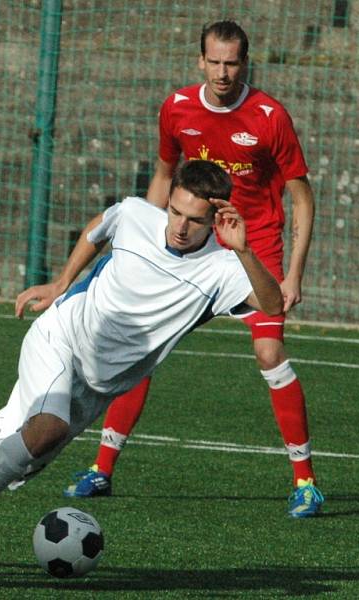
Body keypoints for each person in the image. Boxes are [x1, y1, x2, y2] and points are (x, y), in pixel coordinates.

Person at [0, 159, 284, 572]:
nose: (180, 226)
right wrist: (63, 281)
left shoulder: (223, 268)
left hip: (95, 389)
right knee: (49, 427)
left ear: (217, 219)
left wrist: (242, 249)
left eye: (196, 220)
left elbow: (273, 304)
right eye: (176, 212)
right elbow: (101, 226)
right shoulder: (139, 215)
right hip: (59, 338)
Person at [63, 20, 322, 519]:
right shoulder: (178, 107)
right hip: (193, 244)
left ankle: (305, 480)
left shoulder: (270, 116)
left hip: (253, 247)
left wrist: (293, 272)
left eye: (232, 63)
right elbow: (163, 175)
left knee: (270, 353)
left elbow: (302, 196)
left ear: (244, 64)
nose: (223, 72)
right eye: (215, 62)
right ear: (200, 61)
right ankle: (101, 469)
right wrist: (150, 245)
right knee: (140, 343)